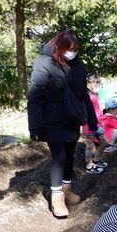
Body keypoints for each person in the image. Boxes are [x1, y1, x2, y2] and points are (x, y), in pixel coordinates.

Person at [27, 29, 97, 219]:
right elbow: (34, 96)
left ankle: (67, 188)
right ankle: (57, 197)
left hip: (72, 118)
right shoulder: (44, 62)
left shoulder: (78, 65)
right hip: (52, 119)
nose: (72, 52)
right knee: (58, 157)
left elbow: (84, 95)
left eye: (76, 49)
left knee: (69, 155)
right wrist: (35, 126)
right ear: (60, 47)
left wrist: (92, 120)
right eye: (69, 49)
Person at [82, 73, 110, 174]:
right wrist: (96, 125)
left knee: (104, 142)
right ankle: (89, 166)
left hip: (97, 125)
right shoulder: (88, 96)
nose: (97, 85)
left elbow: (98, 112)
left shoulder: (95, 95)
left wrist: (100, 125)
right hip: (89, 126)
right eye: (95, 83)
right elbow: (89, 113)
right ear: (89, 83)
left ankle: (96, 160)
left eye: (98, 82)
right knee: (90, 146)